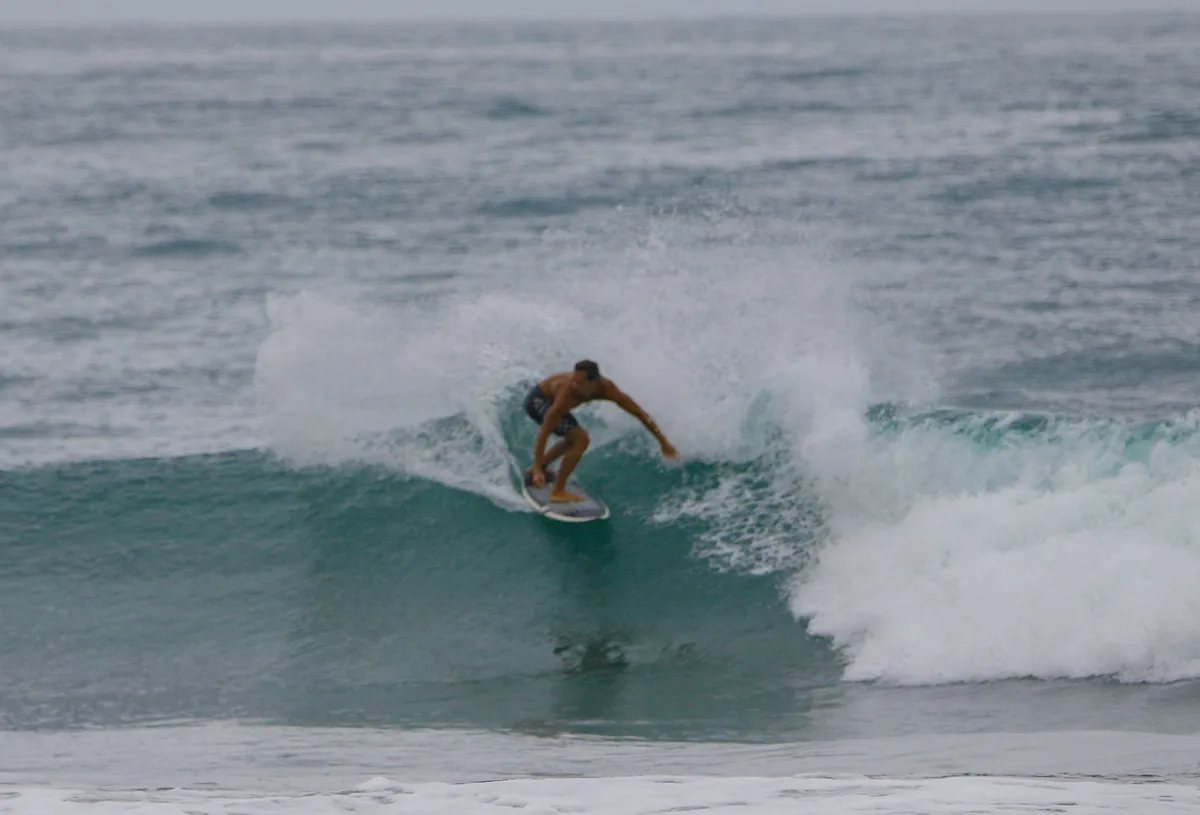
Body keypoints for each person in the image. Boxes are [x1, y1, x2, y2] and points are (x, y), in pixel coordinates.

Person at [524, 360, 677, 503]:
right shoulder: (567, 394)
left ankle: (540, 467)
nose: (574, 384)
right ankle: (557, 490)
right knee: (581, 440)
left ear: (594, 382)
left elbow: (640, 414)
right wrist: (537, 469)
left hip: (552, 401)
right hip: (538, 401)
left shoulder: (607, 389)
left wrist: (663, 442)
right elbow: (543, 433)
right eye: (573, 379)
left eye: (579, 382)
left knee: (574, 439)